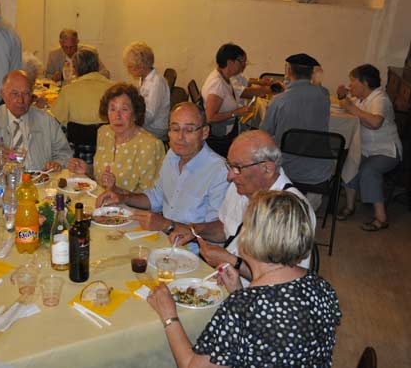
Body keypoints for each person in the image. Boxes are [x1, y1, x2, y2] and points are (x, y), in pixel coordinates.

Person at [147, 190, 341, 367]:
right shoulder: (322, 286)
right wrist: (238, 289)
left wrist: (169, 316)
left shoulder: (242, 307)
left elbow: (192, 366)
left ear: (251, 237)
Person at [171, 130, 316, 281]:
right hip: (225, 279)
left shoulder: (292, 211)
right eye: (229, 165)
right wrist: (194, 230)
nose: (229, 176)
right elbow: (226, 228)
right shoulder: (240, 186)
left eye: (237, 168)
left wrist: (232, 262)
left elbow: (284, 281)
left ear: (267, 169)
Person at [96, 102, 228, 246]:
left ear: (204, 132)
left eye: (189, 130)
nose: (180, 137)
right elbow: (156, 197)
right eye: (175, 129)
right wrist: (123, 197)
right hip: (163, 240)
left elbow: (221, 230)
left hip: (195, 251)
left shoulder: (219, 170)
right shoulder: (172, 155)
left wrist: (168, 225)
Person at [336, 64, 402, 231]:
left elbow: (375, 122)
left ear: (364, 83)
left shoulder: (380, 99)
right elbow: (348, 106)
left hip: (386, 151)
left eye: (353, 81)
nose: (350, 85)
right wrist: (342, 96)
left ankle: (381, 218)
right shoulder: (361, 99)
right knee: (350, 163)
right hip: (366, 149)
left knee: (368, 171)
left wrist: (352, 108)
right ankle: (350, 206)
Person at [0, 70, 72, 175]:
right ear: (3, 94)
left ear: (32, 95)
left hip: (39, 181)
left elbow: (65, 154)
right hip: (3, 182)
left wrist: (57, 164)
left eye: (26, 94)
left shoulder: (46, 121)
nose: (20, 100)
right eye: (15, 94)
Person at [67, 83, 165, 193]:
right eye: (112, 109)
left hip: (127, 204)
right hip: (100, 200)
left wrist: (116, 190)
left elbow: (151, 198)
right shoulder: (104, 133)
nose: (117, 116)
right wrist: (87, 170)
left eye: (124, 109)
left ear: (135, 114)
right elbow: (100, 176)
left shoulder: (150, 146)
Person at [261, 53, 331, 189]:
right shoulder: (324, 95)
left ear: (288, 72)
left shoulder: (278, 100)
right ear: (312, 73)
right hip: (319, 171)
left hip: (286, 170)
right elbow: (318, 88)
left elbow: (264, 133)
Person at [201, 43, 253, 138]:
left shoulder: (225, 77)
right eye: (241, 61)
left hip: (230, 128)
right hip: (222, 135)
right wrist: (236, 112)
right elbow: (210, 117)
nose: (244, 65)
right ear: (230, 63)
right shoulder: (217, 84)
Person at [51, 46, 113, 126]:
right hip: (107, 133)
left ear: (75, 69)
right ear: (98, 66)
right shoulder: (114, 89)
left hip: (76, 134)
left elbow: (56, 120)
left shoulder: (67, 91)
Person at [123, 42, 170, 140]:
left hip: (155, 128)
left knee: (122, 132)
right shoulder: (143, 78)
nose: (129, 70)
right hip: (148, 123)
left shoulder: (156, 83)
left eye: (130, 67)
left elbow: (149, 115)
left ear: (141, 66)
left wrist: (130, 120)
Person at [45, 29, 109, 81]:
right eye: (65, 47)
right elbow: (47, 76)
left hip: (84, 87)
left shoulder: (88, 52)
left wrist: (87, 77)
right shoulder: (53, 55)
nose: (69, 51)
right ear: (60, 43)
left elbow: (105, 73)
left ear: (77, 42)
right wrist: (54, 77)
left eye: (72, 47)